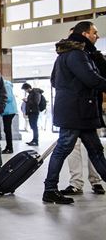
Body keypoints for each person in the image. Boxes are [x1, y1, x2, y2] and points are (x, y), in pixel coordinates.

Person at [43, 21, 106, 204]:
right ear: (85, 34)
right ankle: (50, 189)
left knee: (95, 150)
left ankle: (50, 189)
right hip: (75, 111)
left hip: (80, 110)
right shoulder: (77, 54)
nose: (97, 36)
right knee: (64, 148)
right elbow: (91, 79)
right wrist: (77, 92)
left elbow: (55, 81)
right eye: (95, 32)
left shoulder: (68, 54)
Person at [1, 79, 18, 154]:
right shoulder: (6, 85)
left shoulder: (6, 86)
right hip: (8, 111)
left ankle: (9, 148)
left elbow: (8, 98)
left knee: (7, 130)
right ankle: (8, 147)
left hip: (9, 111)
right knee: (7, 130)